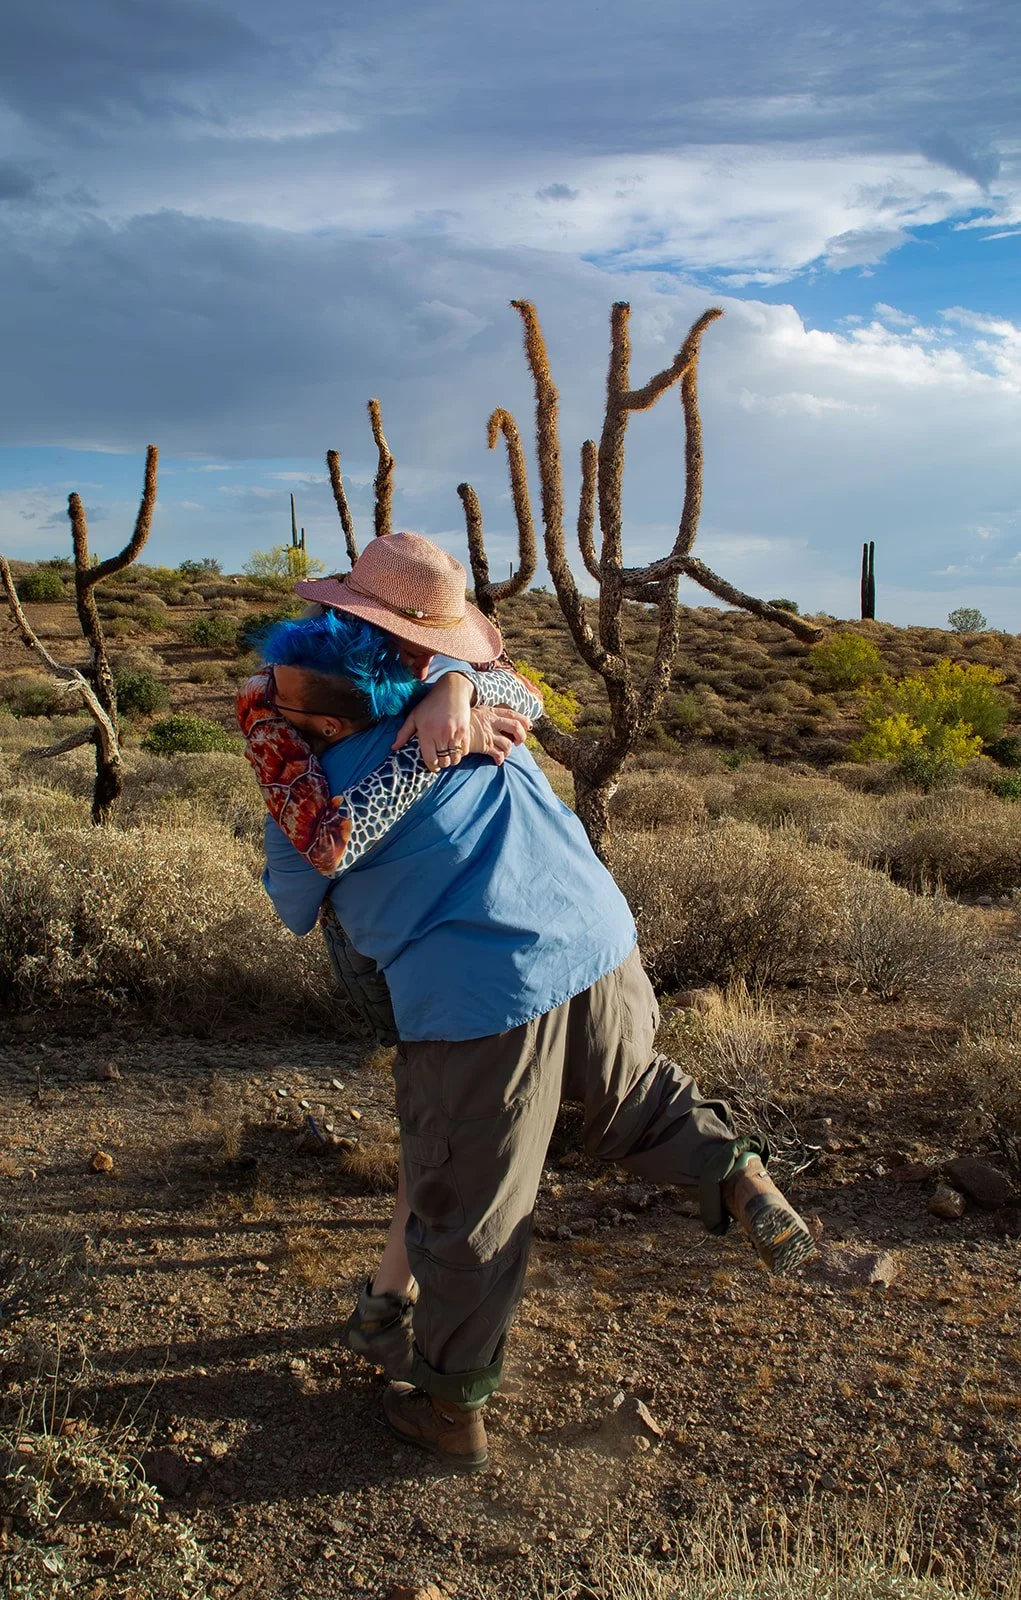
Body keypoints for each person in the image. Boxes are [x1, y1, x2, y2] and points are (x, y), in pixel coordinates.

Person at [238, 534, 818, 1475]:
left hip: (479, 997)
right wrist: (462, 690)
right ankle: (733, 1174)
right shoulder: (486, 722)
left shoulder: (326, 784)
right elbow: (513, 685)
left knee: (470, 1199)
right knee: (637, 1093)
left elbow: (303, 897)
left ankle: (447, 1405)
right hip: (596, 937)